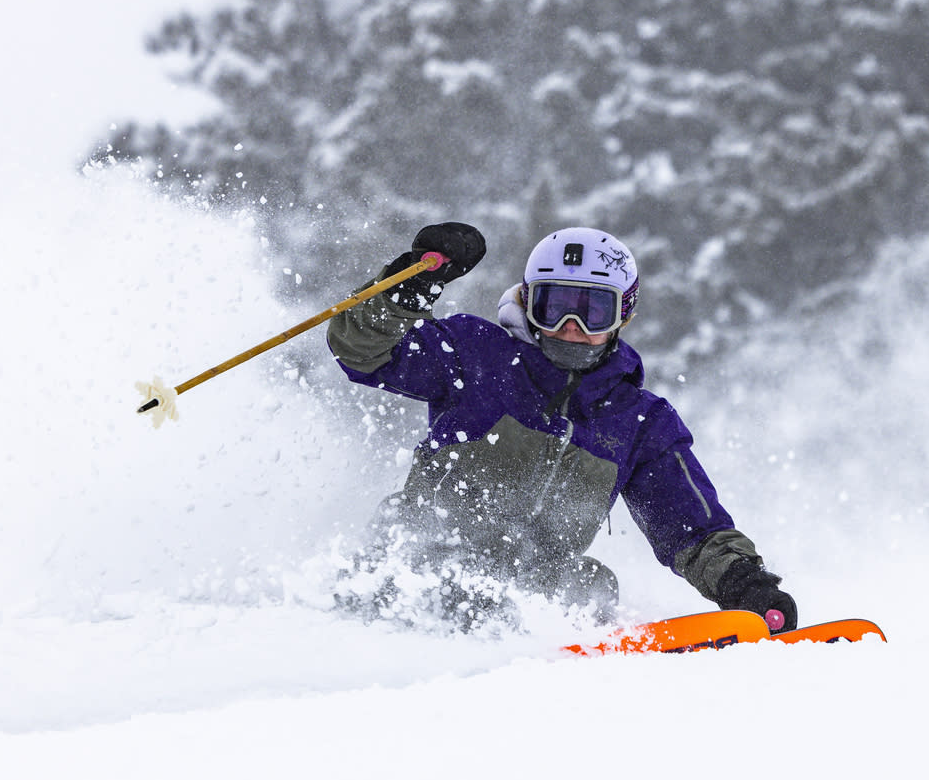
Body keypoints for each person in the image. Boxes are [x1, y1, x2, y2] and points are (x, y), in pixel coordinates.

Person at [327, 220, 798, 631]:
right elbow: (363, 351)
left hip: (528, 586)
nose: (572, 326)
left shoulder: (637, 420)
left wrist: (745, 584)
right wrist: (408, 288)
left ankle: (555, 658)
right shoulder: (476, 355)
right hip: (420, 560)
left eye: (593, 311)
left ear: (624, 314)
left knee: (591, 586)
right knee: (465, 584)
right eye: (555, 307)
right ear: (528, 302)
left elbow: (692, 528)